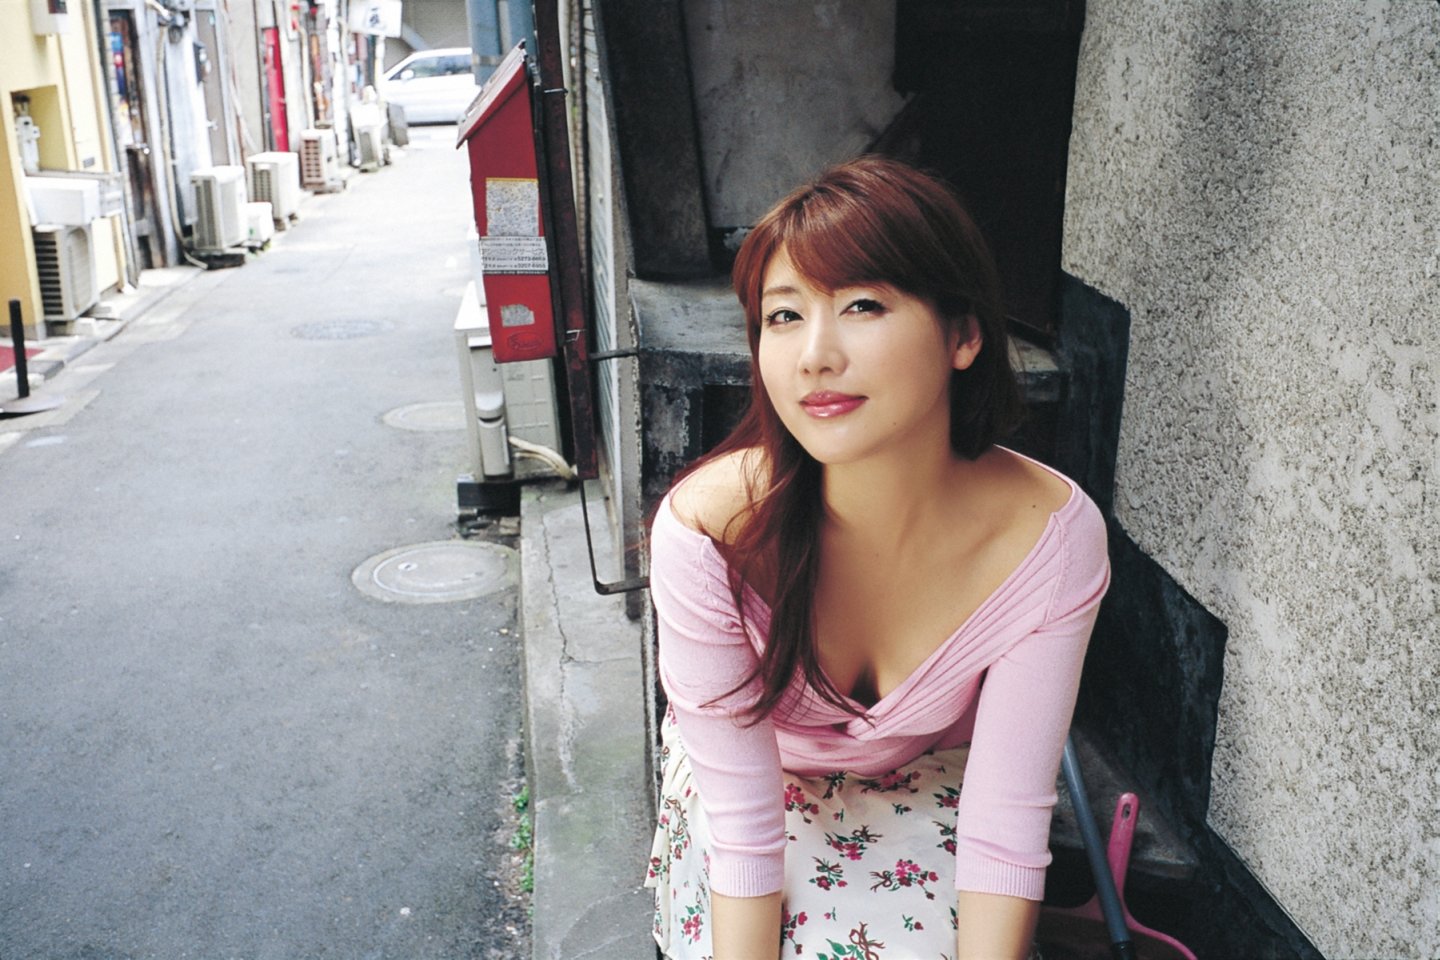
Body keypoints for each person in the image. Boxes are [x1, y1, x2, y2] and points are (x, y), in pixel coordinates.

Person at [644, 156, 1110, 960]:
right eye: (784, 316)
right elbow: (745, 827)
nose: (814, 356)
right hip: (753, 788)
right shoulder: (709, 533)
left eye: (862, 305)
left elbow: (1007, 815)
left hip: (930, 775)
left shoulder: (1048, 537)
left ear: (964, 334)